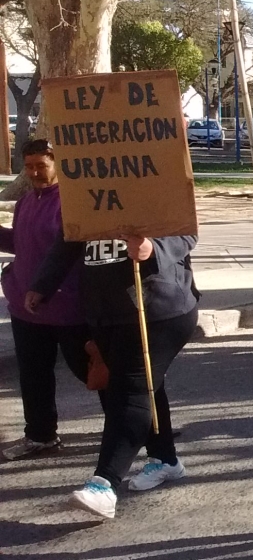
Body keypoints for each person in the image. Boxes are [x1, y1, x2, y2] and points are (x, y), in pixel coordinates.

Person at [33, 230, 200, 519]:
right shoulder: (82, 190)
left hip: (158, 309)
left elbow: (187, 230)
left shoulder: (156, 184)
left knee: (130, 390)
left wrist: (154, 247)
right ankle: (165, 458)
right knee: (147, 384)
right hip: (105, 311)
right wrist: (42, 285)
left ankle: (104, 484)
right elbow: (68, 238)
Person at [0, 140, 92, 461]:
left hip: (68, 308)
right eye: (29, 166)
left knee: (91, 370)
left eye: (41, 165)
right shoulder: (26, 202)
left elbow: (68, 250)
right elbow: (22, 243)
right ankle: (40, 436)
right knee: (33, 374)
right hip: (26, 309)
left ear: (58, 163)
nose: (35, 172)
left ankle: (136, 423)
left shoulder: (73, 202)